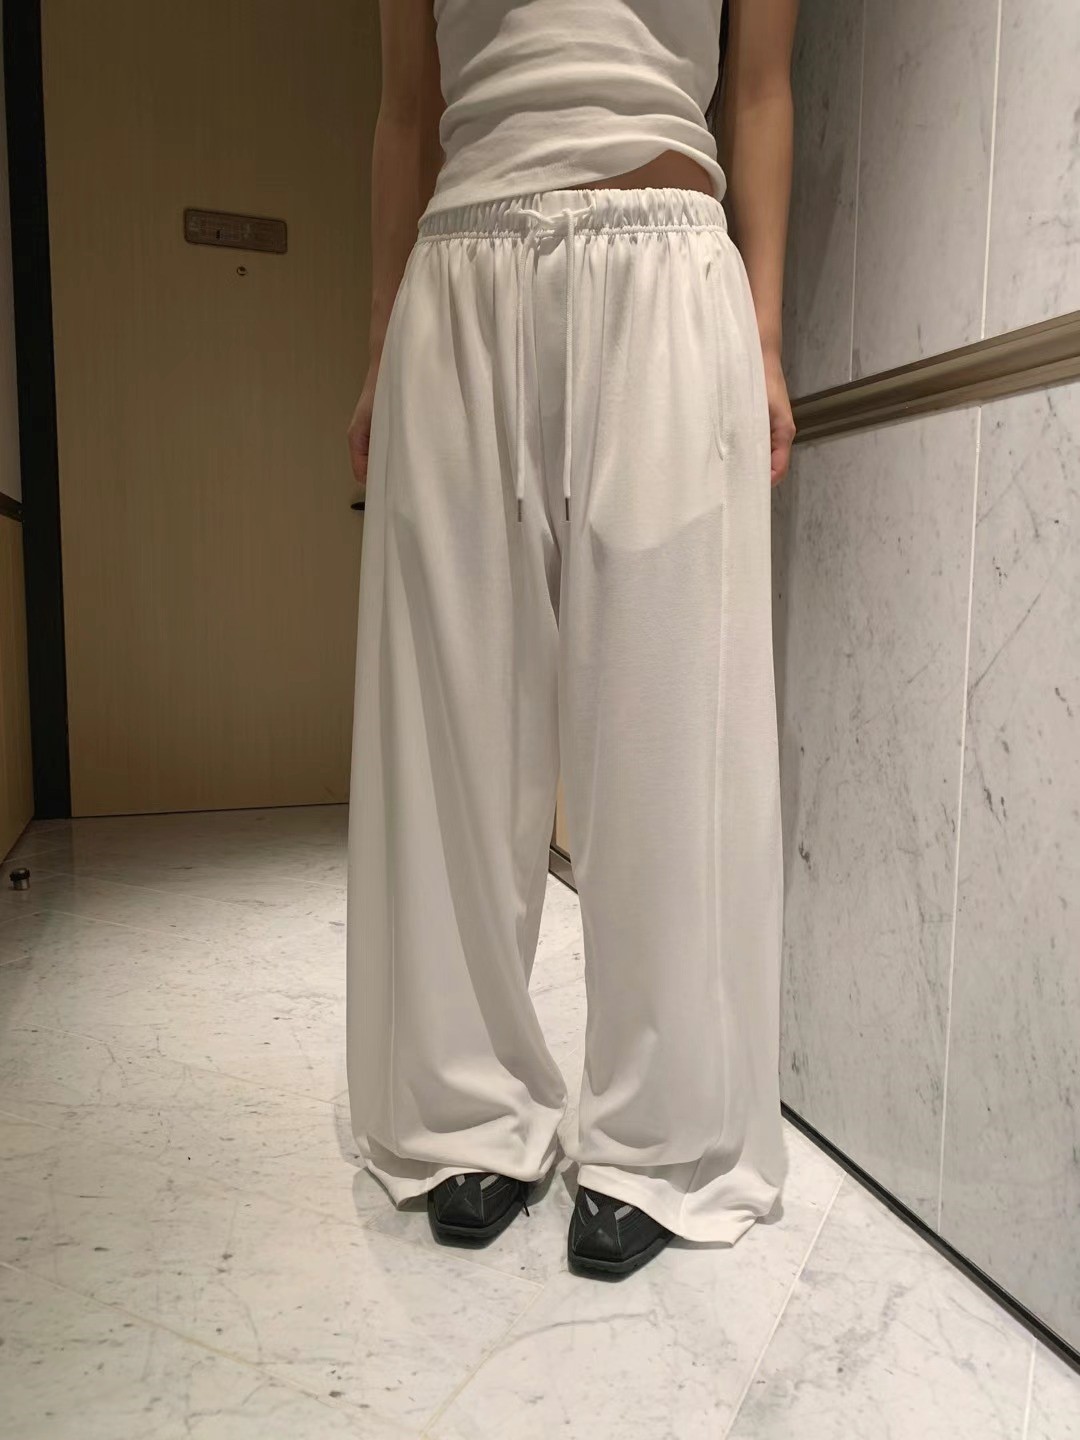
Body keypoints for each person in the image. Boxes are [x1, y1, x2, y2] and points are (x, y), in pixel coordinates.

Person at [346, 0, 799, 1280]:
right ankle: (463, 1112)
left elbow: (760, 89)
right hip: (458, 271)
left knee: (665, 729)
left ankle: (660, 1135)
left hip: (668, 264)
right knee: (454, 725)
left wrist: (765, 337)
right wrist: (378, 340)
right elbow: (405, 108)